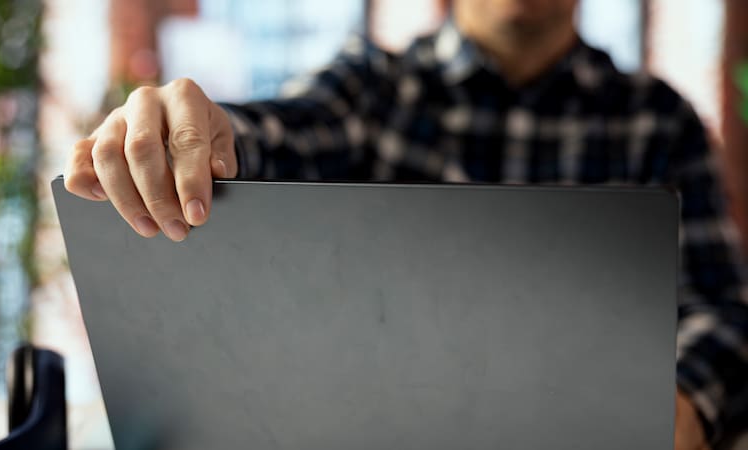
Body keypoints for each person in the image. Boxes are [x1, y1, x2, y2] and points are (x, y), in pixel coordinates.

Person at [63, 0, 748, 448]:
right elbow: (277, 136)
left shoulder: (658, 122)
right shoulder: (372, 91)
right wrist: (202, 132)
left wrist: (682, 404)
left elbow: (721, 311)